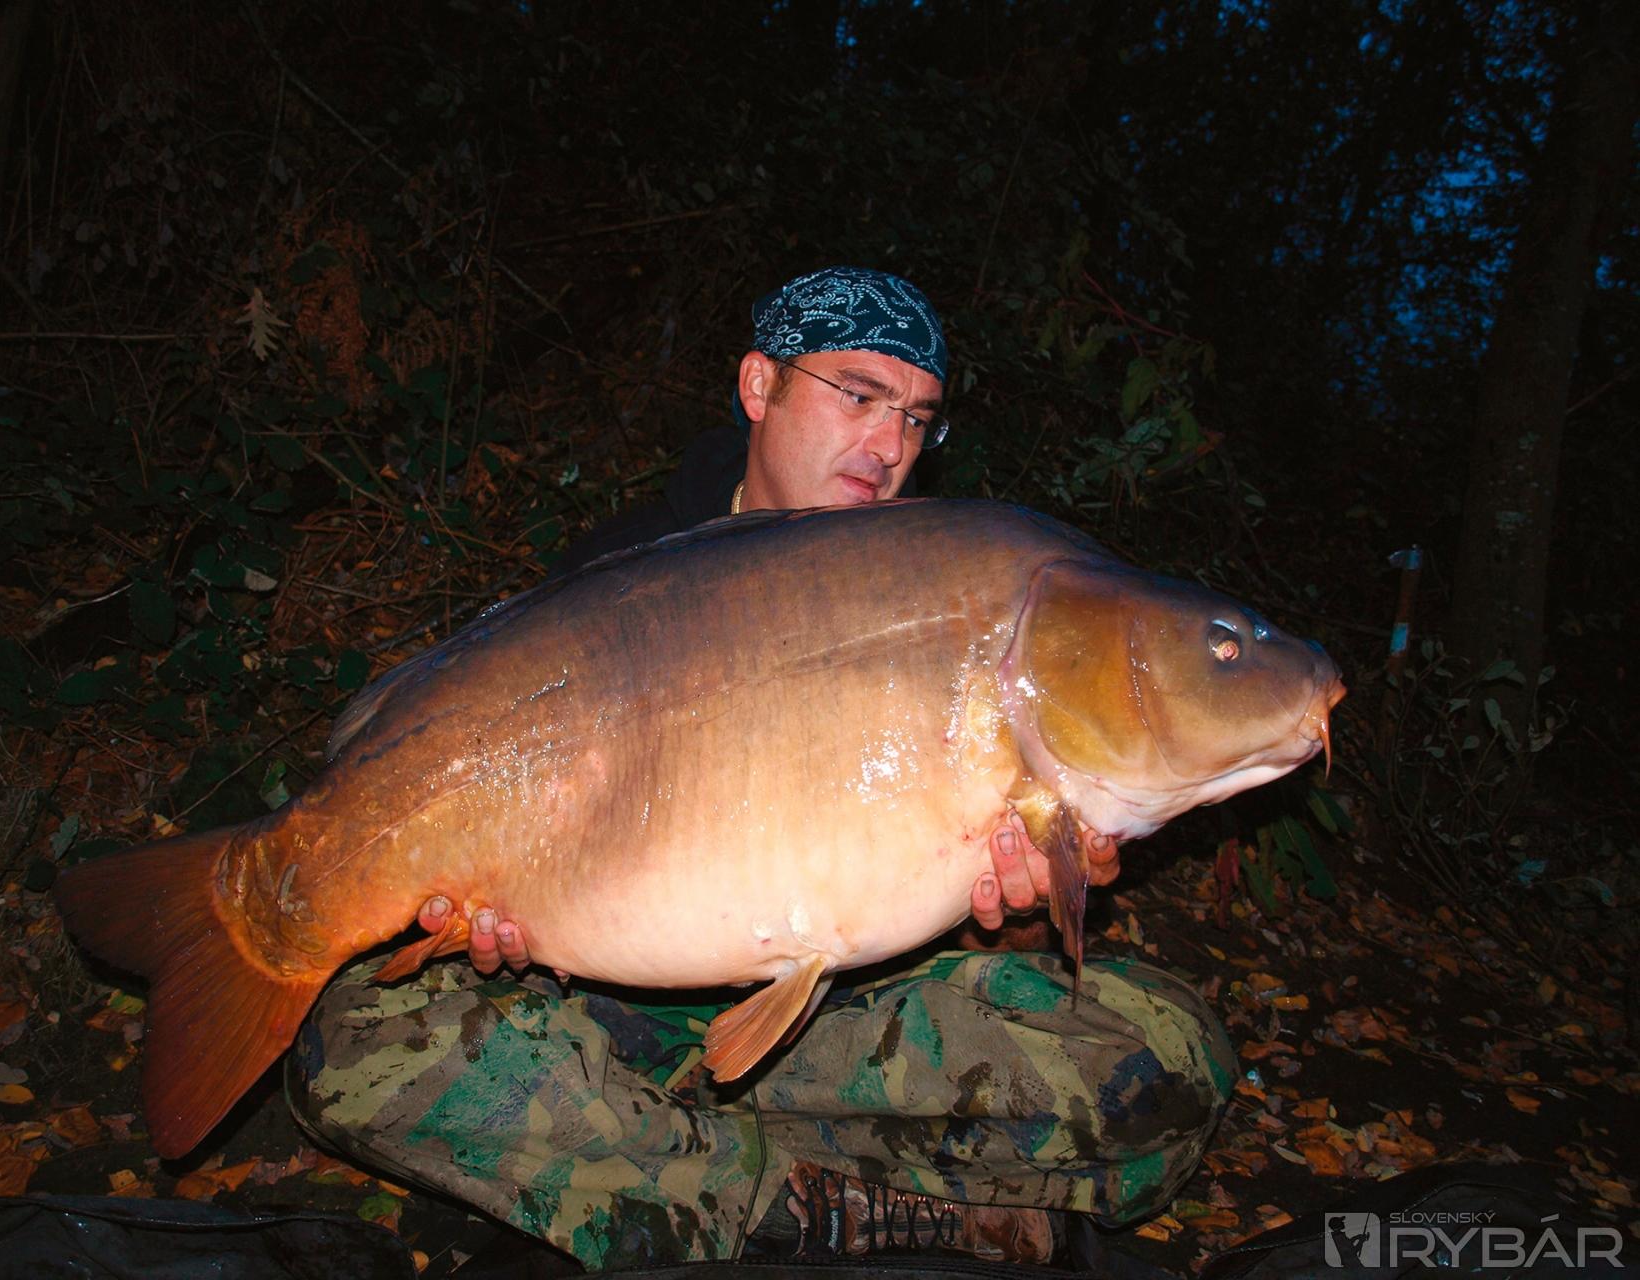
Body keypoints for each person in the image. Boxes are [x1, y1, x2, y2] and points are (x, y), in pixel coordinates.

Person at [287, 267, 1235, 1271]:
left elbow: (980, 932)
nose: (888, 446)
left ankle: (649, 1170)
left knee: (1168, 1057)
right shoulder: (624, 570)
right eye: (858, 395)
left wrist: (1028, 898)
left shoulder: (951, 585)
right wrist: (490, 929)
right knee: (351, 1043)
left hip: (836, 1032)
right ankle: (807, 1206)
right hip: (605, 1019)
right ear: (758, 385)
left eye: (916, 418)